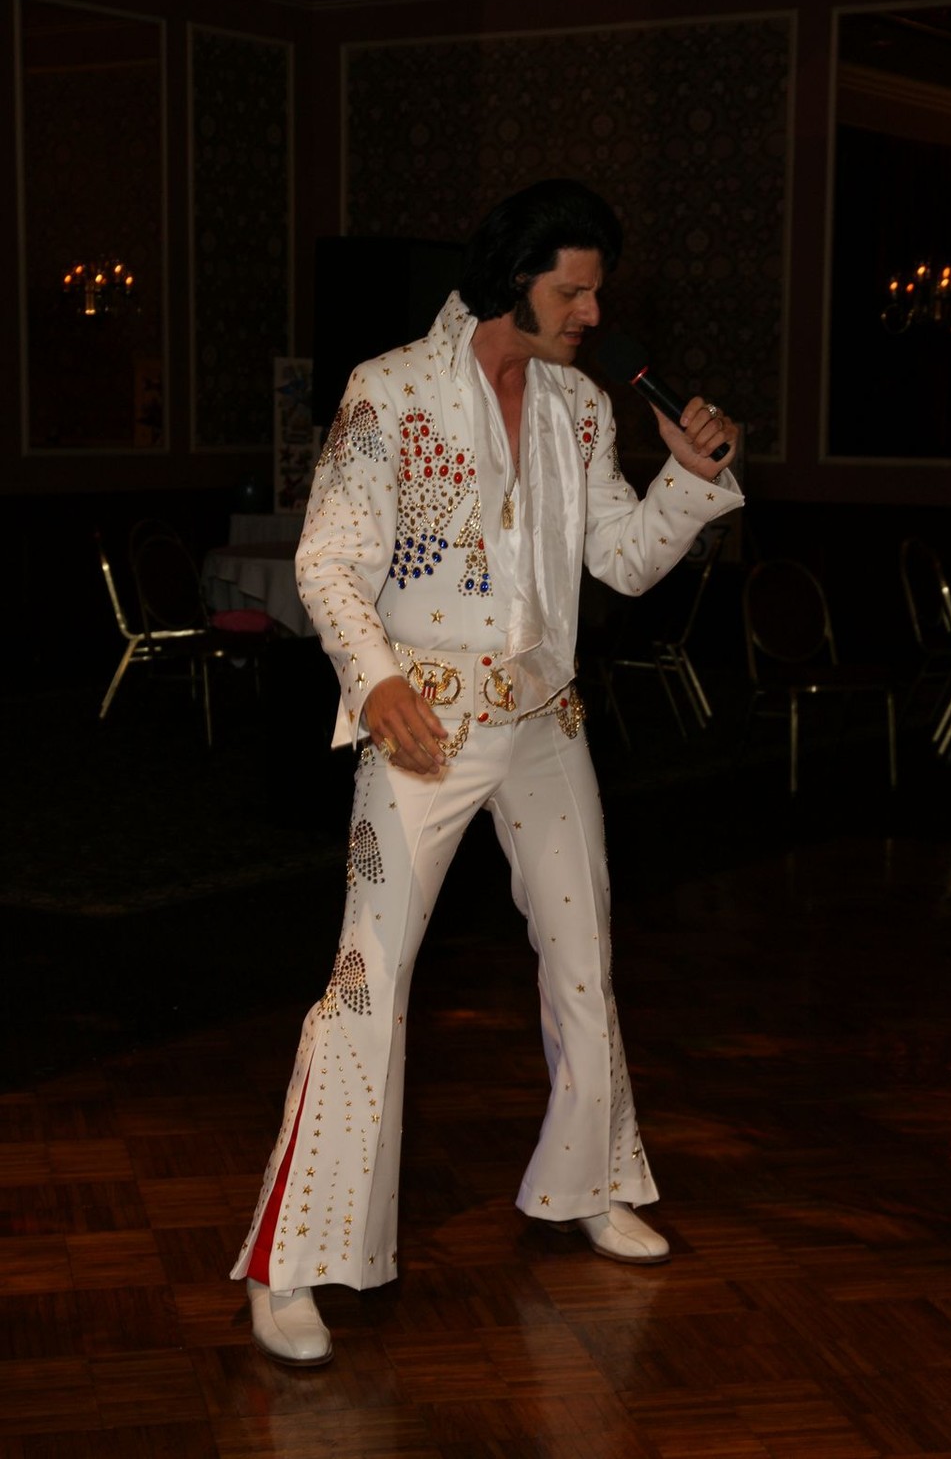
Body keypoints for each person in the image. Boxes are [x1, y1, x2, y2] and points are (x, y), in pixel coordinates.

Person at [231, 179, 744, 1366]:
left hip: (545, 718)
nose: (593, 310)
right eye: (575, 290)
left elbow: (617, 561)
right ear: (517, 280)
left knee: (584, 955)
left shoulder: (576, 404)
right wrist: (377, 683)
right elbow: (328, 559)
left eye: (596, 290)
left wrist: (684, 478)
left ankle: (587, 1181)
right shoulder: (390, 387)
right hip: (422, 726)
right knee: (368, 980)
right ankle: (294, 1259)